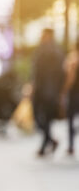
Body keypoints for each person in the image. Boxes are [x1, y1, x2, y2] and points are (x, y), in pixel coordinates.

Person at [32, 28, 64, 157]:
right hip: (49, 90)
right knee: (44, 118)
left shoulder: (50, 51)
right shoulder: (56, 50)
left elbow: (38, 71)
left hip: (45, 90)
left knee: (42, 118)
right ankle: (49, 141)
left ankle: (46, 143)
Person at [62, 40, 79, 155]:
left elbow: (70, 78)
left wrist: (63, 90)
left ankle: (71, 145)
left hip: (74, 93)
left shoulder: (73, 58)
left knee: (70, 118)